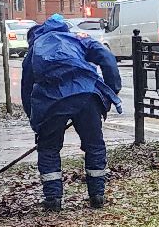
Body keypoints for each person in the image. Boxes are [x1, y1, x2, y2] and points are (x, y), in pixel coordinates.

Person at [22, 14, 122, 210]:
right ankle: (97, 195)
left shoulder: (35, 48)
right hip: (87, 95)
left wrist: (35, 120)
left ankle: (53, 199)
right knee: (94, 144)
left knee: (49, 148)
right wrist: (111, 89)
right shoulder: (78, 39)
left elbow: (27, 88)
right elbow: (107, 58)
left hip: (52, 102)